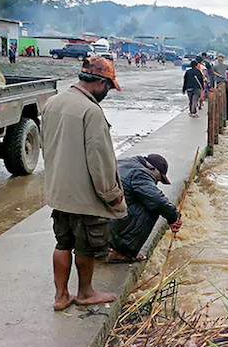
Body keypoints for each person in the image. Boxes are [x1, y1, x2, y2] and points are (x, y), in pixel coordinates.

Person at [42, 57, 127, 311]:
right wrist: (112, 196)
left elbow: (47, 146)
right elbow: (99, 161)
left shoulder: (52, 103)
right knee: (85, 246)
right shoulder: (91, 112)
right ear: (100, 82)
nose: (108, 93)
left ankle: (60, 297)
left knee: (62, 242)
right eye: (109, 87)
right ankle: (86, 292)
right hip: (84, 196)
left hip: (59, 191)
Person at [108, 154, 182, 263]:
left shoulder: (124, 162)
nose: (155, 183)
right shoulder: (141, 173)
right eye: (158, 179)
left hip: (93, 222)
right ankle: (123, 252)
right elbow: (158, 201)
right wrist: (173, 217)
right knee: (152, 207)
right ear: (152, 169)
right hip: (109, 223)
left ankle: (106, 247)